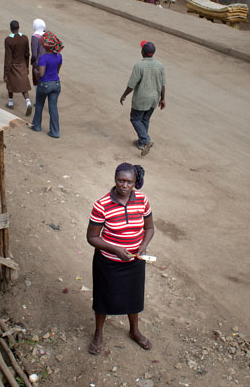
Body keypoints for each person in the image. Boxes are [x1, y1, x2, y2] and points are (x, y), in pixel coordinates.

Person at [87, 162, 155, 355]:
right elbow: (92, 237)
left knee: (133, 298)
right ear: (115, 180)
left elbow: (149, 228)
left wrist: (142, 248)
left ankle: (134, 330)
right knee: (103, 299)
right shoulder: (102, 205)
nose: (124, 185)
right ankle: (98, 333)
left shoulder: (142, 201)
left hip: (134, 262)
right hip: (108, 262)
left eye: (129, 182)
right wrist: (115, 249)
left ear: (135, 183)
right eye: (120, 180)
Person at [120, 41, 166, 157]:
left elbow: (132, 84)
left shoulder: (139, 66)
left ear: (143, 52)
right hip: (154, 99)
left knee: (135, 119)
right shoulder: (160, 65)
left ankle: (146, 140)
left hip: (141, 99)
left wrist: (124, 95)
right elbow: (163, 84)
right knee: (145, 119)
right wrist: (163, 99)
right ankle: (141, 143)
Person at [30, 31, 63, 138]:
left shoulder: (43, 58)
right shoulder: (59, 56)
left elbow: (41, 73)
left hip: (45, 84)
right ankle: (55, 132)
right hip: (56, 83)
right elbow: (57, 71)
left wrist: (36, 72)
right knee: (53, 108)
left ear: (45, 45)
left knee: (39, 104)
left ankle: (37, 125)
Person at [3, 20, 33, 115]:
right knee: (24, 85)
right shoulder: (24, 38)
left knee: (10, 83)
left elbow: (8, 57)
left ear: (11, 28)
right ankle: (28, 102)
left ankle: (10, 102)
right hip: (22, 64)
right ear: (18, 27)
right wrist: (27, 66)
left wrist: (6, 72)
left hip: (13, 65)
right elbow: (27, 54)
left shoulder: (8, 40)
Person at [30, 18, 46, 86]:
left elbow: (34, 54)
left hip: (38, 63)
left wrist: (32, 62)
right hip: (47, 61)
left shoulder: (35, 37)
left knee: (37, 83)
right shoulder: (47, 35)